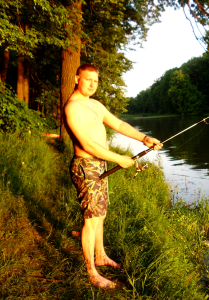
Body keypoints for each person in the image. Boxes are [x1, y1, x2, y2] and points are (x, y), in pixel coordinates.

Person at [63, 64, 162, 289]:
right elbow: (87, 144)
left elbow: (118, 124)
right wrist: (119, 158)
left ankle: (101, 255)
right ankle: (92, 272)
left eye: (95, 81)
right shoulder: (73, 107)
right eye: (87, 79)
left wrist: (144, 138)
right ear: (77, 78)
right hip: (86, 166)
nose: (91, 84)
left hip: (100, 164)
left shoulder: (95, 105)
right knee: (91, 219)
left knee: (101, 215)